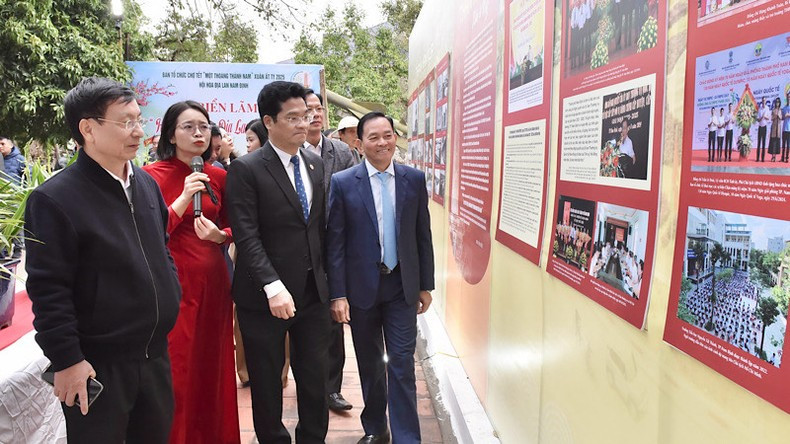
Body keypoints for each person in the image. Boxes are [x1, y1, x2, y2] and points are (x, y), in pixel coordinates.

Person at [24, 77, 182, 443]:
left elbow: (162, 249)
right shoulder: (55, 199)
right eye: (125, 121)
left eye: (139, 119)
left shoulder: (145, 185)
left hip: (154, 355)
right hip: (96, 366)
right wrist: (67, 360)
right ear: (88, 129)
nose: (139, 131)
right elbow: (49, 291)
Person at [226, 81, 331, 444]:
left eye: (307, 115)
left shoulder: (316, 165)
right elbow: (247, 235)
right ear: (268, 121)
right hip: (263, 298)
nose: (304, 123)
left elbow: (318, 230)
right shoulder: (247, 169)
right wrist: (273, 287)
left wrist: (331, 287)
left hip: (313, 294)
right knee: (268, 384)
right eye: (293, 117)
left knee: (315, 380)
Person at [327, 112, 435, 444]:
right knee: (371, 365)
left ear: (395, 138)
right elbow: (336, 243)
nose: (382, 142)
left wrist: (425, 284)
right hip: (361, 290)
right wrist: (338, 293)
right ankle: (376, 428)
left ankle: (407, 437)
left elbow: (422, 235)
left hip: (401, 287)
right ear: (359, 143)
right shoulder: (344, 183)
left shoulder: (413, 180)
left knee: (401, 364)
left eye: (388, 135)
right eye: (374, 137)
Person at [142, 101, 240, 444]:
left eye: (204, 126)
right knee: (177, 367)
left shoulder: (219, 176)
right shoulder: (150, 176)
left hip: (213, 280)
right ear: (171, 133)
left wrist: (221, 236)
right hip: (172, 283)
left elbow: (236, 226)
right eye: (189, 127)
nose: (199, 133)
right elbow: (147, 231)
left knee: (211, 366)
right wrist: (183, 199)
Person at [303, 88, 358, 412]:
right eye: (309, 109)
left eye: (319, 108)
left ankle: (332, 389)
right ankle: (308, 384)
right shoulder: (290, 153)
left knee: (334, 321)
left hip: (333, 250)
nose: (316, 113)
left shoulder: (340, 151)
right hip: (298, 252)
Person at [757, 97, 770, 162]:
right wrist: (761, 117)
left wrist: (765, 117)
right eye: (762, 100)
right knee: (759, 143)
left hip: (765, 126)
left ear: (765, 101)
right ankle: (757, 158)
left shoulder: (767, 108)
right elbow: (758, 119)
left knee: (764, 143)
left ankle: (762, 159)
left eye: (764, 100)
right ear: (761, 101)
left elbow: (768, 118)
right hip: (760, 126)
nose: (763, 101)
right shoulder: (760, 109)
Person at [769, 97, 782, 162]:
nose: (777, 103)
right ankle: (773, 156)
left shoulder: (780, 110)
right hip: (774, 128)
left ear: (779, 103)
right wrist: (775, 116)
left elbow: (782, 118)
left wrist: (779, 116)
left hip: (778, 128)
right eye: (776, 102)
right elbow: (771, 118)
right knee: (773, 142)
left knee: (777, 143)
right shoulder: (773, 110)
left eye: (778, 102)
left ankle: (775, 156)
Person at [782, 92, 790, 163]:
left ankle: (787, 158)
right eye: (787, 97)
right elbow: (782, 117)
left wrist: (788, 115)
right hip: (784, 128)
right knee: (783, 144)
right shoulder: (784, 108)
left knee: (788, 144)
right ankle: (782, 157)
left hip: (789, 129)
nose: (788, 98)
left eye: (789, 97)